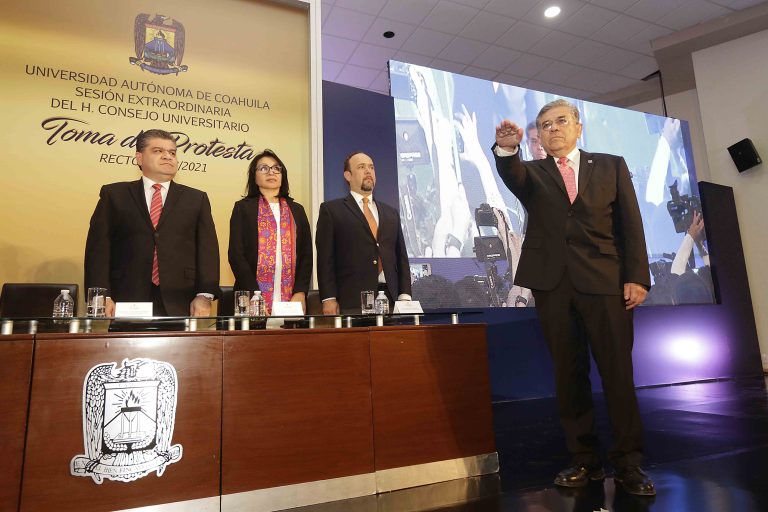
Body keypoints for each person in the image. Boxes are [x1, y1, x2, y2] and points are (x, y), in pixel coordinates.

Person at [493, 99, 655, 496]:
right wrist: (507, 149)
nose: (553, 129)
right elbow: (510, 173)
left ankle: (629, 465)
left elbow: (630, 224)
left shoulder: (611, 165)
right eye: (545, 125)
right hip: (555, 286)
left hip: (605, 282)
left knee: (618, 375)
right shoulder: (531, 172)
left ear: (578, 127)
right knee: (569, 376)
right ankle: (585, 461)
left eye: (560, 121)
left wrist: (637, 277)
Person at [84, 129, 220, 316]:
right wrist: (101, 296)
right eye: (158, 151)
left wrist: (205, 295)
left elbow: (208, 250)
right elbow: (98, 249)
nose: (167, 157)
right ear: (139, 158)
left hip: (182, 299)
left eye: (172, 153)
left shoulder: (196, 198)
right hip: (125, 298)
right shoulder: (114, 195)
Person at [316, 151, 411, 314]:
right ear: (348, 175)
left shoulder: (390, 212)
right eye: (361, 167)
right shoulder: (331, 210)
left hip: (391, 298)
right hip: (351, 300)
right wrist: (329, 298)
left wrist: (405, 295)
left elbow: (401, 256)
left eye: (371, 167)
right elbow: (325, 259)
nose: (368, 171)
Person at [228, 149, 312, 314]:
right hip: (251, 295)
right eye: (264, 168)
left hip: (291, 299)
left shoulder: (297, 210)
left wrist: (300, 291)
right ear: (254, 176)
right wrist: (254, 295)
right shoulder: (243, 208)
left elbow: (306, 255)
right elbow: (236, 255)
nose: (271, 172)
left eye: (276, 168)